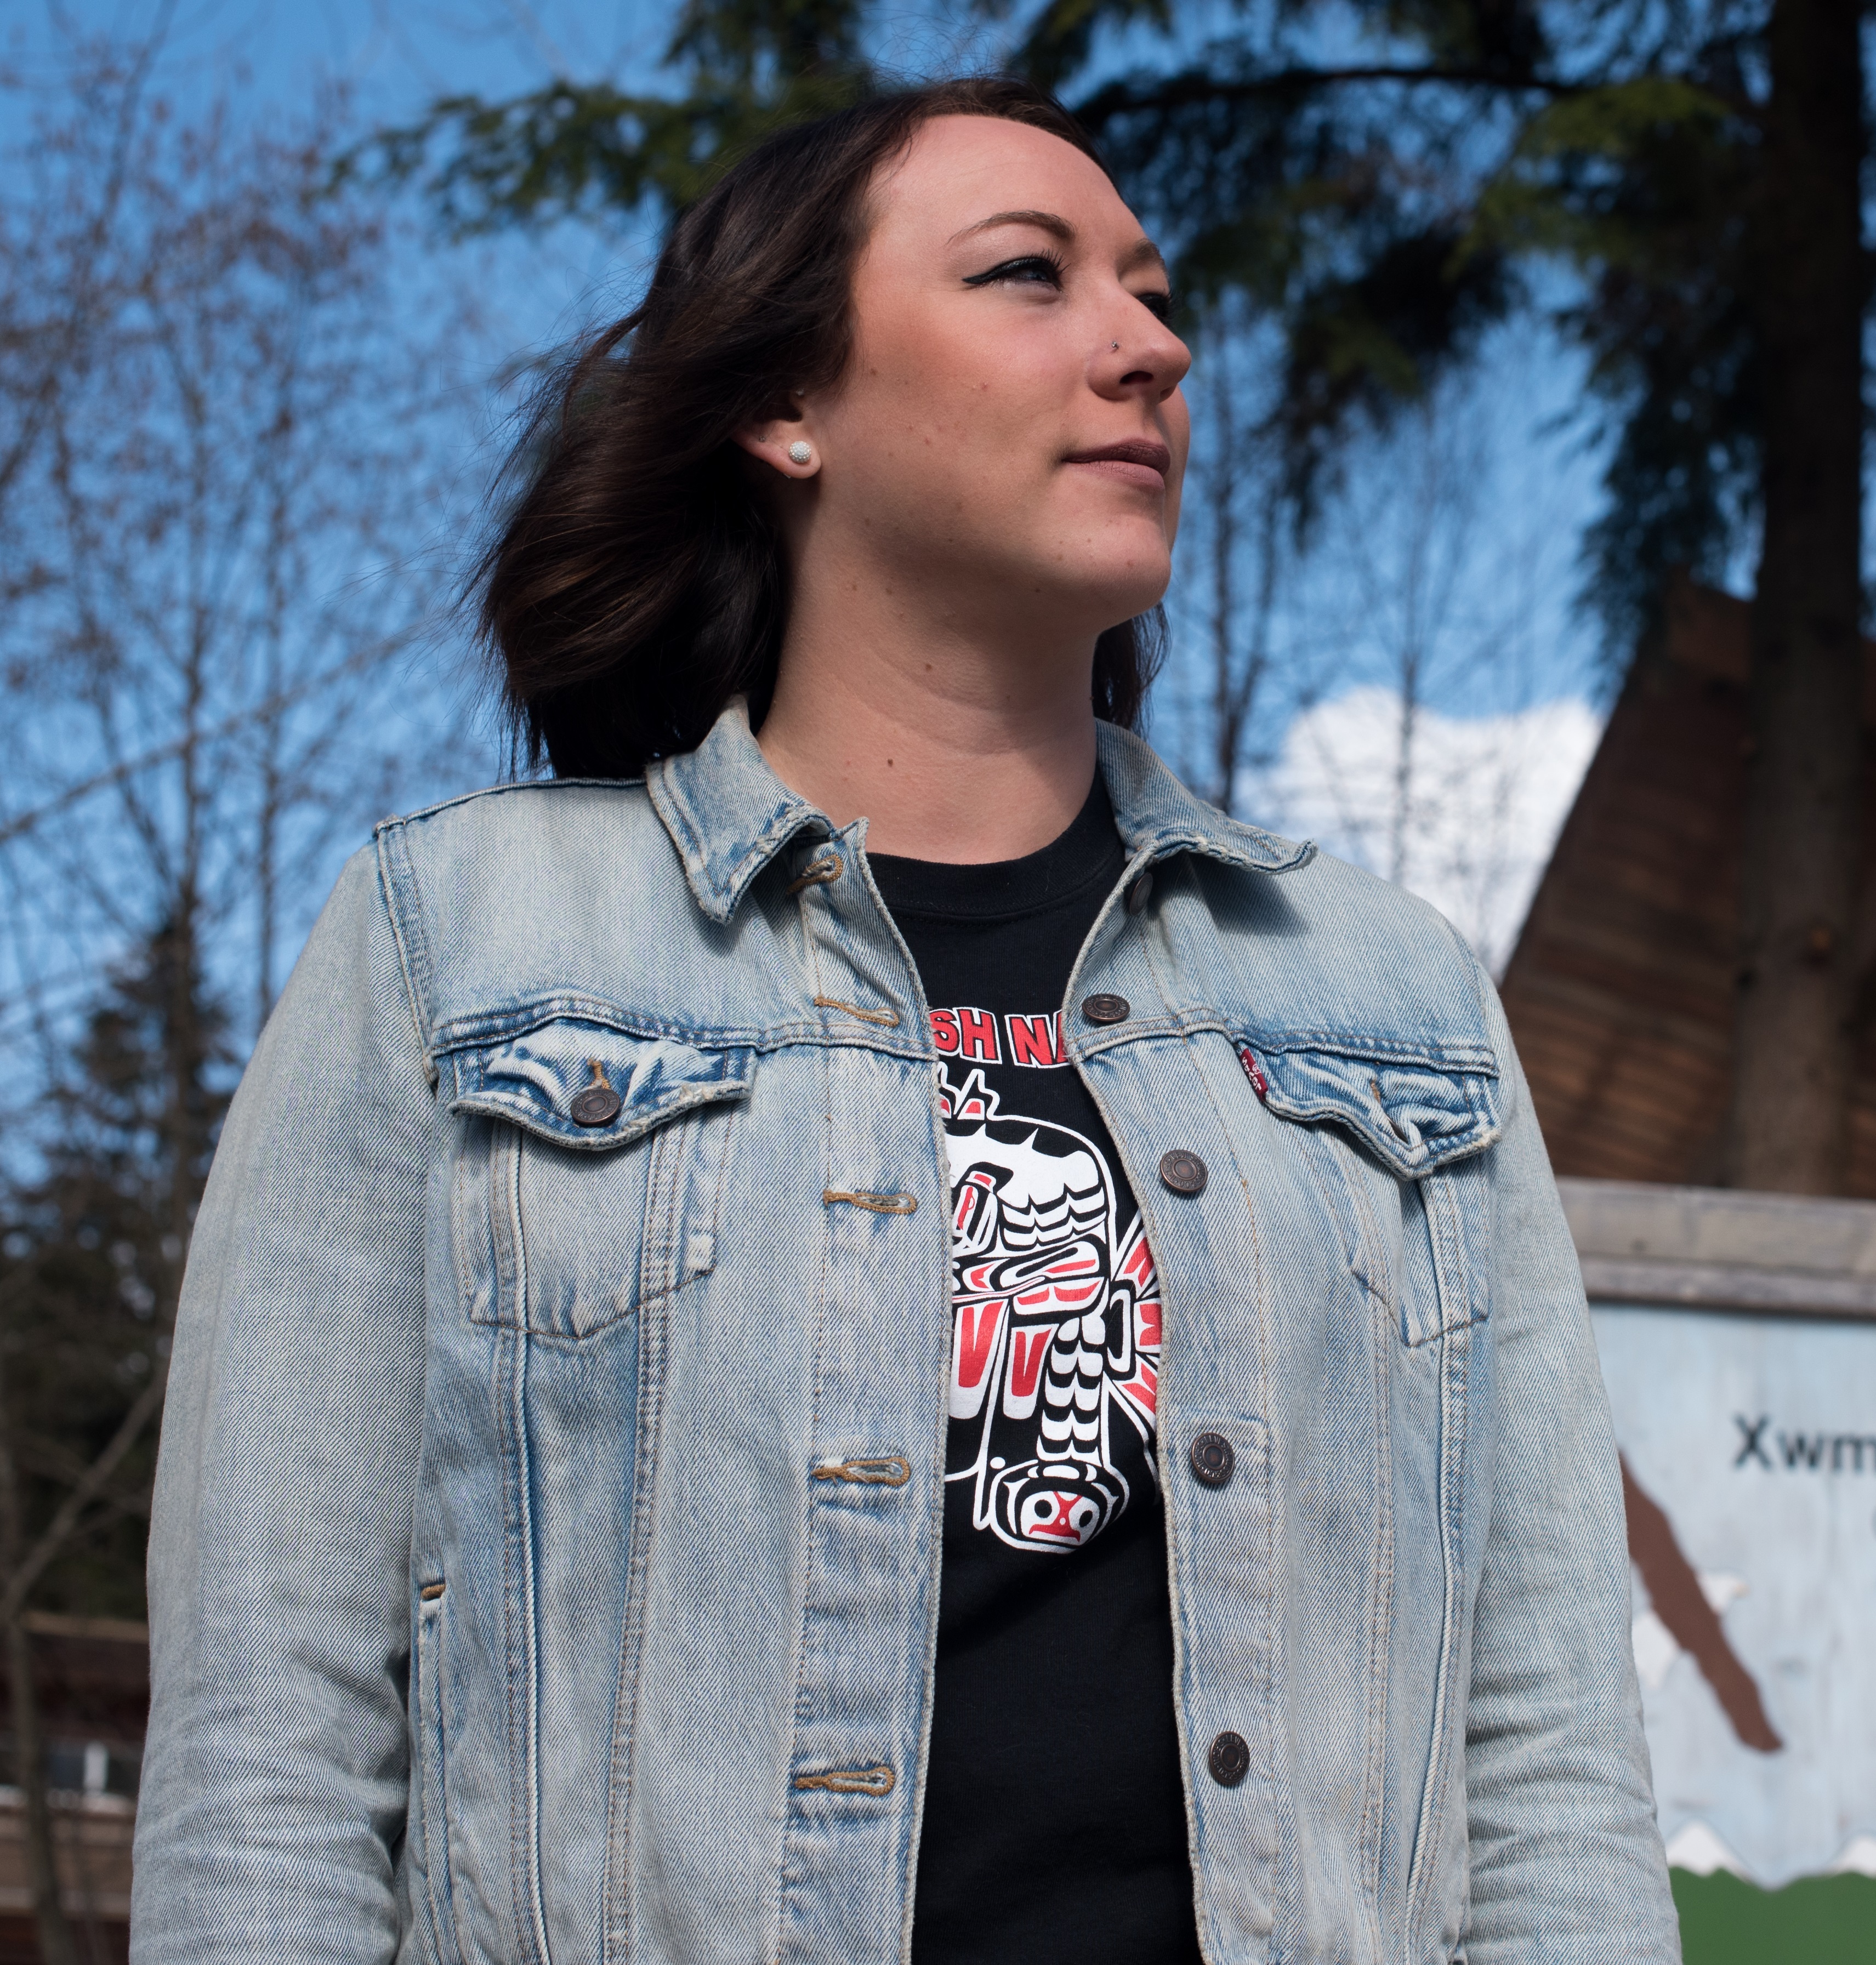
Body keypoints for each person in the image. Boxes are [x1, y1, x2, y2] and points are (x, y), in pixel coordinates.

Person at [130, 76, 1679, 1965]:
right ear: (787, 408)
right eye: (1032, 278)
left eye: (1153, 292)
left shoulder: (1387, 991)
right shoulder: (459, 940)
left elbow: (1549, 1763)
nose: (1149, 346)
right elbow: (272, 1753)